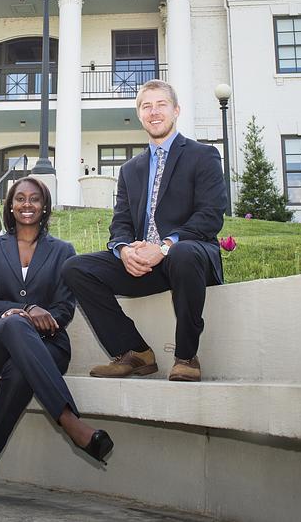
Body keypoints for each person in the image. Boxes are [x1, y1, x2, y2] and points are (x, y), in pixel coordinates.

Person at [0, 176, 113, 498]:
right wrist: (29, 309)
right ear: (11, 205)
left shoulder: (63, 251)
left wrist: (40, 316)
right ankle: (69, 421)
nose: (27, 204)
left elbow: (64, 308)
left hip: (50, 346)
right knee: (17, 323)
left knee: (20, 372)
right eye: (20, 198)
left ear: (45, 205)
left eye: (35, 198)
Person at [62, 79, 227, 383]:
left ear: (176, 110)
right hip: (145, 265)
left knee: (184, 252)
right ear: (139, 115)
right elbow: (121, 222)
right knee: (75, 268)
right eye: (146, 106)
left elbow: (210, 216)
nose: (154, 112)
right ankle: (134, 352)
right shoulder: (130, 170)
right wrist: (124, 250)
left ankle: (187, 356)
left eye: (161, 104)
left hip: (190, 258)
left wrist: (164, 247)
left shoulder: (202, 156)